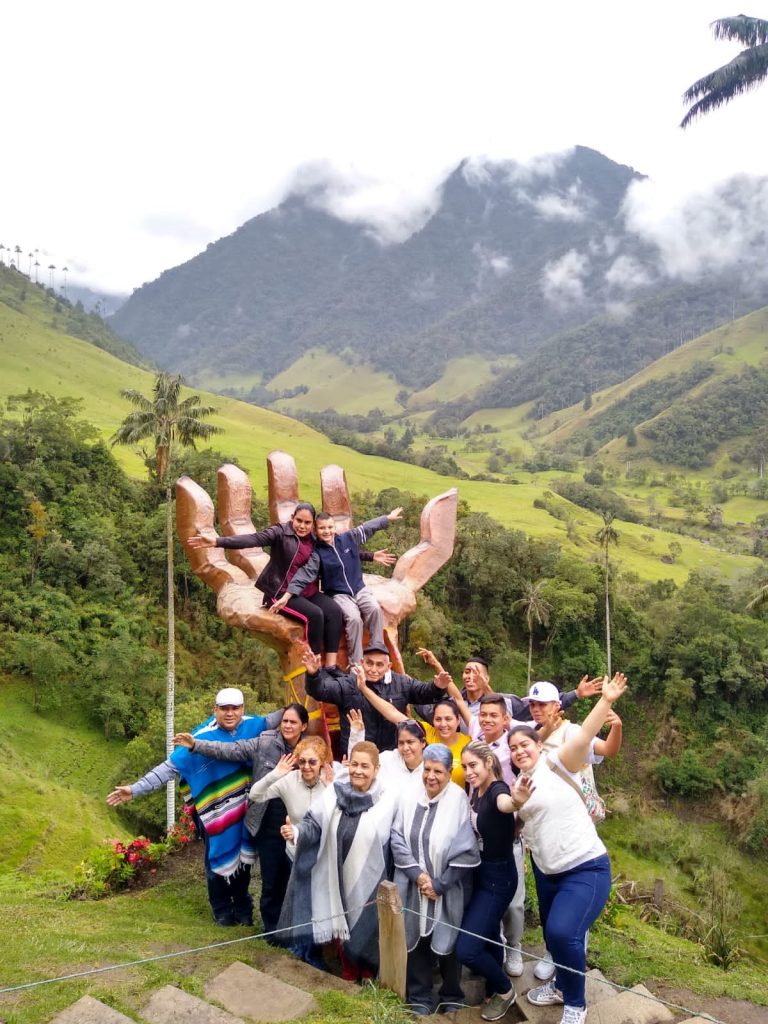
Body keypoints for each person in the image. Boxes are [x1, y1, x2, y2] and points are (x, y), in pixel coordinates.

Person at [106, 688, 282, 926]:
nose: (230, 714)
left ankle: (242, 907)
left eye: (235, 709)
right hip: (214, 811)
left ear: (243, 709)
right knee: (215, 858)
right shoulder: (200, 737)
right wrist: (135, 789)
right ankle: (221, 909)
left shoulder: (254, 725)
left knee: (243, 858)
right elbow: (169, 768)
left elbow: (284, 715)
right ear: (215, 710)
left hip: (243, 808)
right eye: (224, 709)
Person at [509, 673, 628, 1024]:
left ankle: (576, 1003)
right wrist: (514, 809)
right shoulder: (519, 784)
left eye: (524, 745)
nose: (519, 751)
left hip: (585, 867)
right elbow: (519, 824)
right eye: (513, 748)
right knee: (553, 934)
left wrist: (605, 700)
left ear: (537, 743)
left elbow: (590, 734)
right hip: (547, 873)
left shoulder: (559, 761)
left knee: (563, 932)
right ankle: (561, 986)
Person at [173, 702, 309, 940]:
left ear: (304, 726)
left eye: (293, 722)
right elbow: (230, 750)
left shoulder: (310, 750)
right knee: (271, 879)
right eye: (285, 720)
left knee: (296, 879)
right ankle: (272, 932)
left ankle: (293, 930)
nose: (287, 725)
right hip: (268, 821)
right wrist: (195, 745)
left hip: (300, 823)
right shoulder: (265, 742)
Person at [279, 741, 398, 980]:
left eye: (365, 766)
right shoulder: (334, 792)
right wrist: (297, 833)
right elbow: (314, 824)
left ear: (376, 769)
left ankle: (370, 975)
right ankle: (348, 973)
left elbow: (395, 839)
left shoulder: (388, 799)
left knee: (368, 924)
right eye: (354, 764)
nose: (358, 770)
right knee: (341, 920)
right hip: (337, 874)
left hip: (374, 879)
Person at [187, 502, 343, 669]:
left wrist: (367, 557)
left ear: (313, 524)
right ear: (292, 519)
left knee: (334, 612)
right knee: (315, 615)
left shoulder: (314, 540)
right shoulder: (280, 532)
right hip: (280, 591)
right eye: (299, 521)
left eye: (307, 523)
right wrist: (217, 542)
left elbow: (337, 551)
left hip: (307, 591)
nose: (302, 526)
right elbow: (253, 539)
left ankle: (332, 667)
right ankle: (315, 663)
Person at [391, 744, 480, 1015]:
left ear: (449, 771)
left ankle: (451, 993)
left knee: (449, 936)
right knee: (414, 936)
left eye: (438, 771)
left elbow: (466, 849)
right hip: (413, 884)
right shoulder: (409, 795)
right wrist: (418, 877)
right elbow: (396, 838)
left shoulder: (458, 800)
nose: (431, 776)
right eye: (427, 769)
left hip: (447, 887)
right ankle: (419, 995)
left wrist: (439, 884)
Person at [455, 741, 533, 1021]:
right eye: (464, 767)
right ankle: (491, 984)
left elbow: (506, 803)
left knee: (466, 948)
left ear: (489, 762)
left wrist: (518, 801)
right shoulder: (475, 788)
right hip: (480, 871)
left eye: (473, 765)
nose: (468, 772)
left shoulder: (497, 790)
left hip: (498, 878)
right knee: (487, 935)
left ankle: (503, 989)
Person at [288, 507, 402, 664]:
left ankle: (377, 649)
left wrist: (386, 518)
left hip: (359, 588)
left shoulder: (348, 539)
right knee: (354, 619)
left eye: (329, 527)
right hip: (338, 594)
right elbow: (306, 572)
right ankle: (356, 663)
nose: (326, 531)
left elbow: (367, 528)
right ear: (316, 530)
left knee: (375, 609)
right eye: (322, 528)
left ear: (335, 528)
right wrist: (290, 592)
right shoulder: (317, 552)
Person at [302, 644, 448, 752]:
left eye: (379, 665)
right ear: (361, 662)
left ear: (388, 666)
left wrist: (438, 687)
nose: (373, 669)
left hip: (392, 754)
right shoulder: (348, 683)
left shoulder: (401, 683)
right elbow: (320, 691)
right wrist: (313, 675)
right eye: (369, 663)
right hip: (357, 755)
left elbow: (425, 693)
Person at [354, 666, 469, 786]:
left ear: (458, 720)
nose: (443, 724)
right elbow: (391, 712)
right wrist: (364, 689)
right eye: (438, 719)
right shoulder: (425, 731)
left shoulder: (468, 744)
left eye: (448, 719)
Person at [348, 705, 427, 781]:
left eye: (410, 742)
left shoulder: (431, 767)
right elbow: (361, 761)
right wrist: (356, 735)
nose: (405, 748)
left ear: (423, 742)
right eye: (401, 743)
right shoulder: (387, 759)